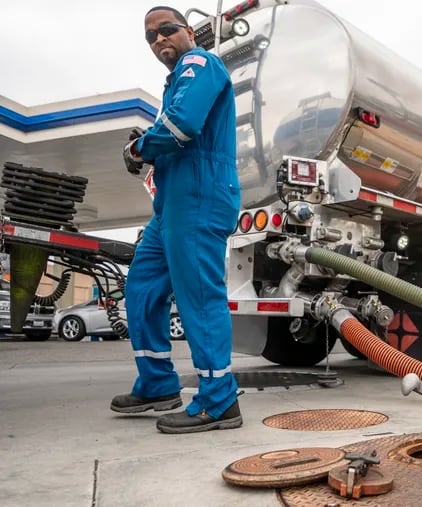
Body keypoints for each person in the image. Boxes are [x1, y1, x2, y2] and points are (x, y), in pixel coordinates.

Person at [111, 5, 242, 434]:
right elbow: (171, 130)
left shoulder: (200, 62)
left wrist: (139, 148)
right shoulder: (176, 81)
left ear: (188, 31)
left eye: (166, 29)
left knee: (199, 298)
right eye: (150, 37)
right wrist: (148, 146)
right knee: (143, 287)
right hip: (171, 204)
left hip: (200, 198)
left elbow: (181, 126)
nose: (159, 40)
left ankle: (220, 401)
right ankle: (158, 384)